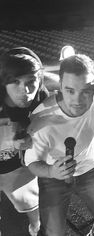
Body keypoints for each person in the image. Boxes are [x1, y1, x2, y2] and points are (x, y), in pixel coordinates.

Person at [24, 55, 94, 236]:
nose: (78, 100)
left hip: (88, 166)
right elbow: (31, 163)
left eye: (86, 91)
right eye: (70, 91)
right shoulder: (41, 118)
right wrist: (52, 172)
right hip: (52, 174)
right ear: (59, 86)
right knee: (54, 232)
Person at [0, 47, 49, 236]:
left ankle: (35, 226)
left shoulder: (43, 103)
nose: (25, 91)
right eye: (15, 82)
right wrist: (9, 138)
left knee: (26, 215)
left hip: (20, 171)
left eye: (31, 82)